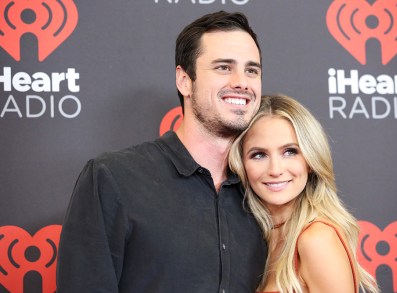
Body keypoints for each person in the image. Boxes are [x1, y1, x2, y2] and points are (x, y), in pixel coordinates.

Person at [56, 11, 267, 292]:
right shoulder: (113, 178)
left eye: (252, 70)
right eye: (223, 67)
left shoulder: (269, 189)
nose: (242, 81)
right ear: (184, 81)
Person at [229, 94, 380, 293]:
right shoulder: (259, 236)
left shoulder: (316, 239)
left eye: (290, 152)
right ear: (242, 164)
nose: (275, 169)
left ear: (310, 160)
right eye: (259, 155)